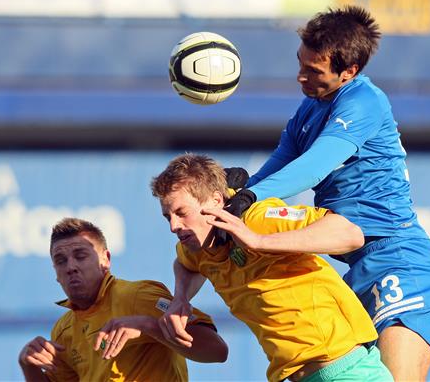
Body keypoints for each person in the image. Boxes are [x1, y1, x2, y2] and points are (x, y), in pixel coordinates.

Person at [222, 5, 430, 381]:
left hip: (401, 263)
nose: (300, 76)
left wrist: (249, 198)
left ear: (350, 71)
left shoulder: (364, 101)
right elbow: (281, 162)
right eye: (300, 63)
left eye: (313, 70)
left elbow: (314, 166)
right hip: (355, 270)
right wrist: (240, 191)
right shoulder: (309, 108)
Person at [151, 153, 393, 382]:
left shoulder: (257, 219)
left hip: (347, 371)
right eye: (167, 216)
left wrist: (258, 241)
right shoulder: (195, 246)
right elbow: (185, 265)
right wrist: (180, 298)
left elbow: (350, 234)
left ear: (215, 201)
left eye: (181, 213)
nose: (174, 225)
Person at [18, 217, 228, 382]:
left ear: (105, 260)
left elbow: (217, 350)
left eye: (81, 256)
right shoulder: (63, 331)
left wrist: (148, 325)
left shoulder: (137, 296)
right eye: (60, 261)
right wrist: (28, 365)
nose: (71, 267)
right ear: (55, 273)